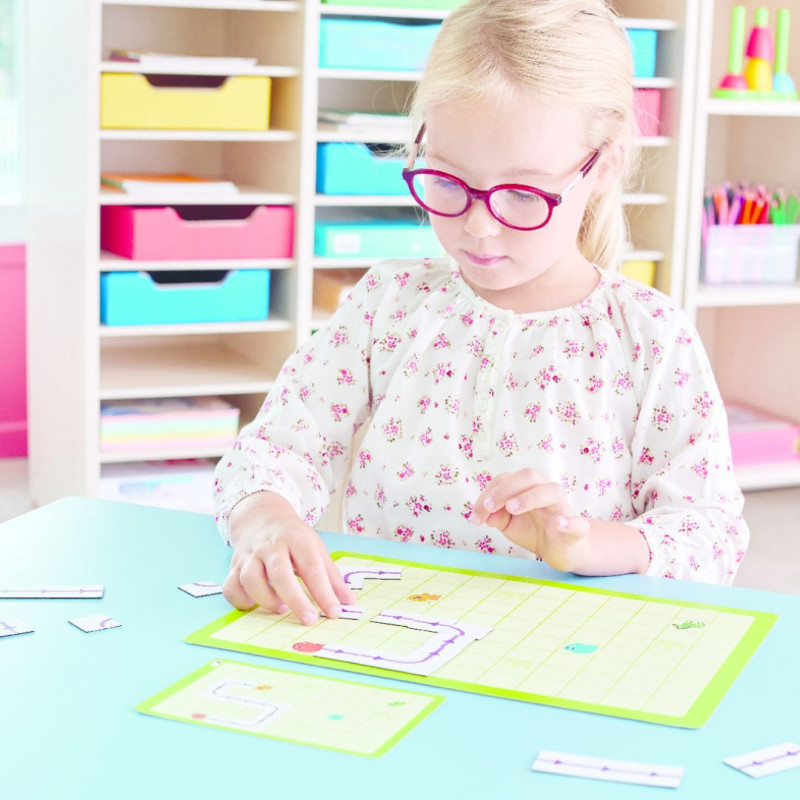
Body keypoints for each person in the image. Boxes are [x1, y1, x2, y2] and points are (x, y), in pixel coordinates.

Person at [213, 0, 749, 625]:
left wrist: (589, 543)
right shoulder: (387, 307)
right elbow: (275, 449)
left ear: (602, 165)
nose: (478, 227)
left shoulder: (650, 338)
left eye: (521, 194)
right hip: (393, 636)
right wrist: (264, 518)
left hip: (570, 648)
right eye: (446, 179)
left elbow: (711, 533)